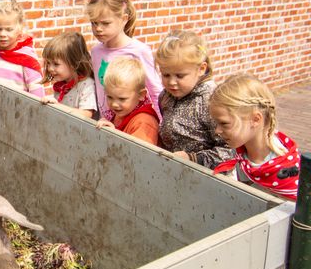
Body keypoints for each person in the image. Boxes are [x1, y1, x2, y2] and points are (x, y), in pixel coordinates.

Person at [209, 74, 300, 201]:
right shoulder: (240, 149)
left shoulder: (286, 171)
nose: (217, 130)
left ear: (255, 119)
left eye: (224, 123)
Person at [155, 30, 234, 169]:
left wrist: (195, 159)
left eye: (180, 76)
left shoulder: (210, 102)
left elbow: (230, 150)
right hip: (173, 171)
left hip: (202, 176)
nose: (172, 82)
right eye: (166, 75)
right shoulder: (166, 96)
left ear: (201, 69)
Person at [85, 0, 163, 119]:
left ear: (124, 19)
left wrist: (160, 128)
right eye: (94, 23)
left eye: (105, 23)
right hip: (106, 125)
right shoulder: (95, 52)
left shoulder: (139, 51)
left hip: (133, 126)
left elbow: (156, 92)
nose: (98, 29)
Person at [0, 1, 45, 97]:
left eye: (9, 29)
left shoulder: (26, 57)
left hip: (18, 109)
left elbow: (36, 88)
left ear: (20, 30)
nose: (3, 34)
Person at [95, 57, 159, 145]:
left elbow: (137, 155)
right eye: (109, 97)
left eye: (122, 99)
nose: (114, 104)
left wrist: (113, 135)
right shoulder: (119, 113)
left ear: (141, 95)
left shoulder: (144, 123)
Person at [40, 32, 97, 118]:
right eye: (48, 63)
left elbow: (86, 114)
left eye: (56, 64)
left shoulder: (87, 85)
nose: (50, 68)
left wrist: (58, 106)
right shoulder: (62, 84)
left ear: (73, 63)